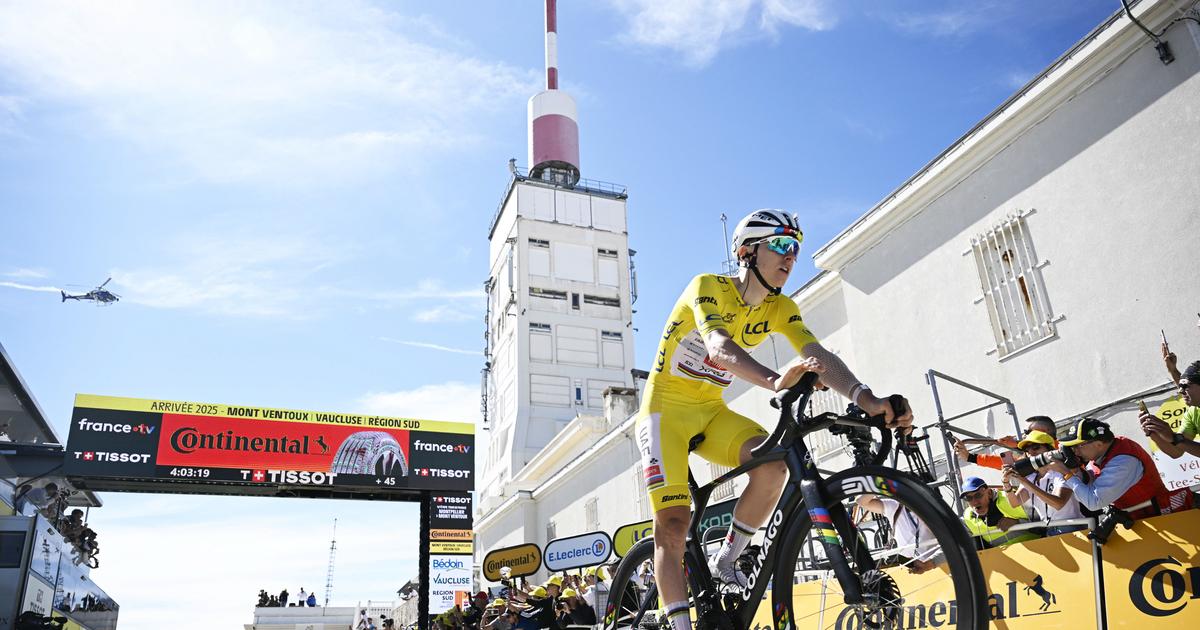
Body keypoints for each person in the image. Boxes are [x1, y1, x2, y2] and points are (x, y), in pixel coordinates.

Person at [634, 209, 912, 630]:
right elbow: (718, 348)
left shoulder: (782, 308)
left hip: (709, 411)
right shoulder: (707, 287)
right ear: (747, 252)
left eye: (795, 249)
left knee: (773, 464)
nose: (790, 257)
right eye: (780, 245)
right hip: (663, 413)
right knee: (673, 526)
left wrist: (868, 399)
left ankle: (728, 561)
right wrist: (774, 380)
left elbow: (818, 356)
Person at [1046, 417, 1192, 519]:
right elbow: (1089, 482)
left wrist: (1067, 474)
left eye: (1078, 445)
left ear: (1098, 443)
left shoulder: (1123, 460)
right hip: (1141, 522)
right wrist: (1075, 470)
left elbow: (1094, 502)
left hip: (1161, 519)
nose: (1075, 451)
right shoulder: (1100, 455)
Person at [1001, 431, 1085, 536]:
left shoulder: (1062, 471)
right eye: (1027, 450)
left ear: (1050, 450)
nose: (1031, 452)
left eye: (1036, 448)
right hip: (1050, 529)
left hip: (1073, 527)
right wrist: (1006, 483)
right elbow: (1015, 503)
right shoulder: (1031, 477)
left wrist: (1024, 481)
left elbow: (1058, 504)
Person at [855, 494, 941, 574]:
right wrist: (877, 483)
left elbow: (947, 541)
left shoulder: (927, 506)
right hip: (909, 563)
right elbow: (861, 501)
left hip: (935, 562)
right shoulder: (894, 506)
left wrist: (929, 564)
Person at [959, 476, 1041, 548]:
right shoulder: (968, 517)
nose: (974, 502)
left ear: (989, 493)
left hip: (1038, 550)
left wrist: (1017, 522)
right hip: (1002, 562)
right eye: (968, 498)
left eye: (978, 495)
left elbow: (1044, 521)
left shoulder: (1010, 500)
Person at [952, 416, 1058, 470]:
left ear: (1045, 433)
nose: (1025, 435)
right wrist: (970, 457)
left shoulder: (1064, 448)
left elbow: (1057, 447)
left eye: (1028, 432)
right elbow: (1005, 464)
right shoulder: (1029, 457)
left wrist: (1018, 444)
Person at [1142, 361, 1200, 458]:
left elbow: (1177, 441)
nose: (1180, 391)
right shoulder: (1193, 412)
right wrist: (1153, 432)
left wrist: (1174, 437)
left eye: (1185, 386)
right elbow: (1176, 452)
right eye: (1180, 386)